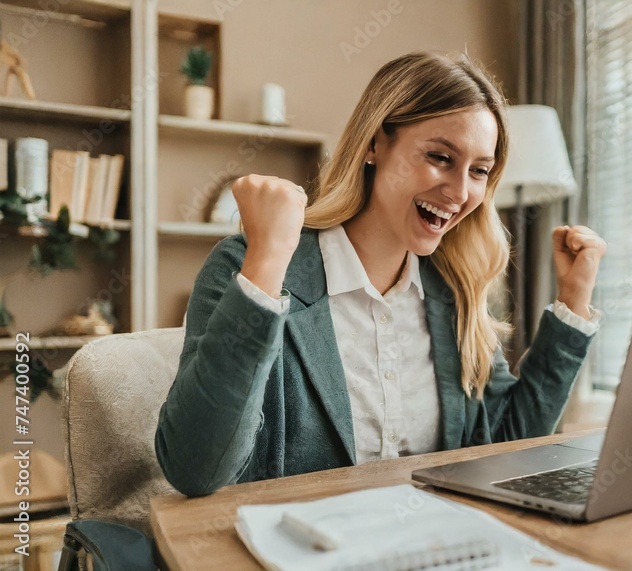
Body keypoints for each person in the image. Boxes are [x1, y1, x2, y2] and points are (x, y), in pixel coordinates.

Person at [155, 51, 607, 497]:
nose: (460, 191)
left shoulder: (457, 290)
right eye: (440, 157)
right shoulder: (249, 265)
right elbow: (196, 469)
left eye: (480, 171)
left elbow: (510, 446)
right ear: (375, 143)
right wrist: (268, 260)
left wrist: (573, 302)